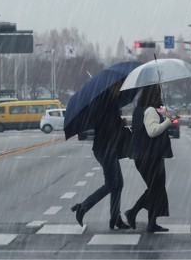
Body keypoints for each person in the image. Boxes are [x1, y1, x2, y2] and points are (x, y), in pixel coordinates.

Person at [71, 80, 131, 230]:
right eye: (117, 87)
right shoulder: (103, 104)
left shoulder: (110, 103)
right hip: (104, 148)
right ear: (110, 88)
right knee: (112, 184)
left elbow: (111, 125)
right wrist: (119, 123)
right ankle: (84, 207)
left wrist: (120, 122)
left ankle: (115, 218)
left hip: (109, 148)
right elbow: (107, 125)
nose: (119, 90)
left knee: (118, 184)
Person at [125, 84, 173, 233]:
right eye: (158, 92)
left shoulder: (140, 109)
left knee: (155, 189)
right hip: (150, 157)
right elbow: (152, 131)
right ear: (155, 94)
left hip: (144, 156)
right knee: (155, 189)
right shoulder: (150, 110)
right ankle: (133, 212)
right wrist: (168, 121)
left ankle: (151, 223)